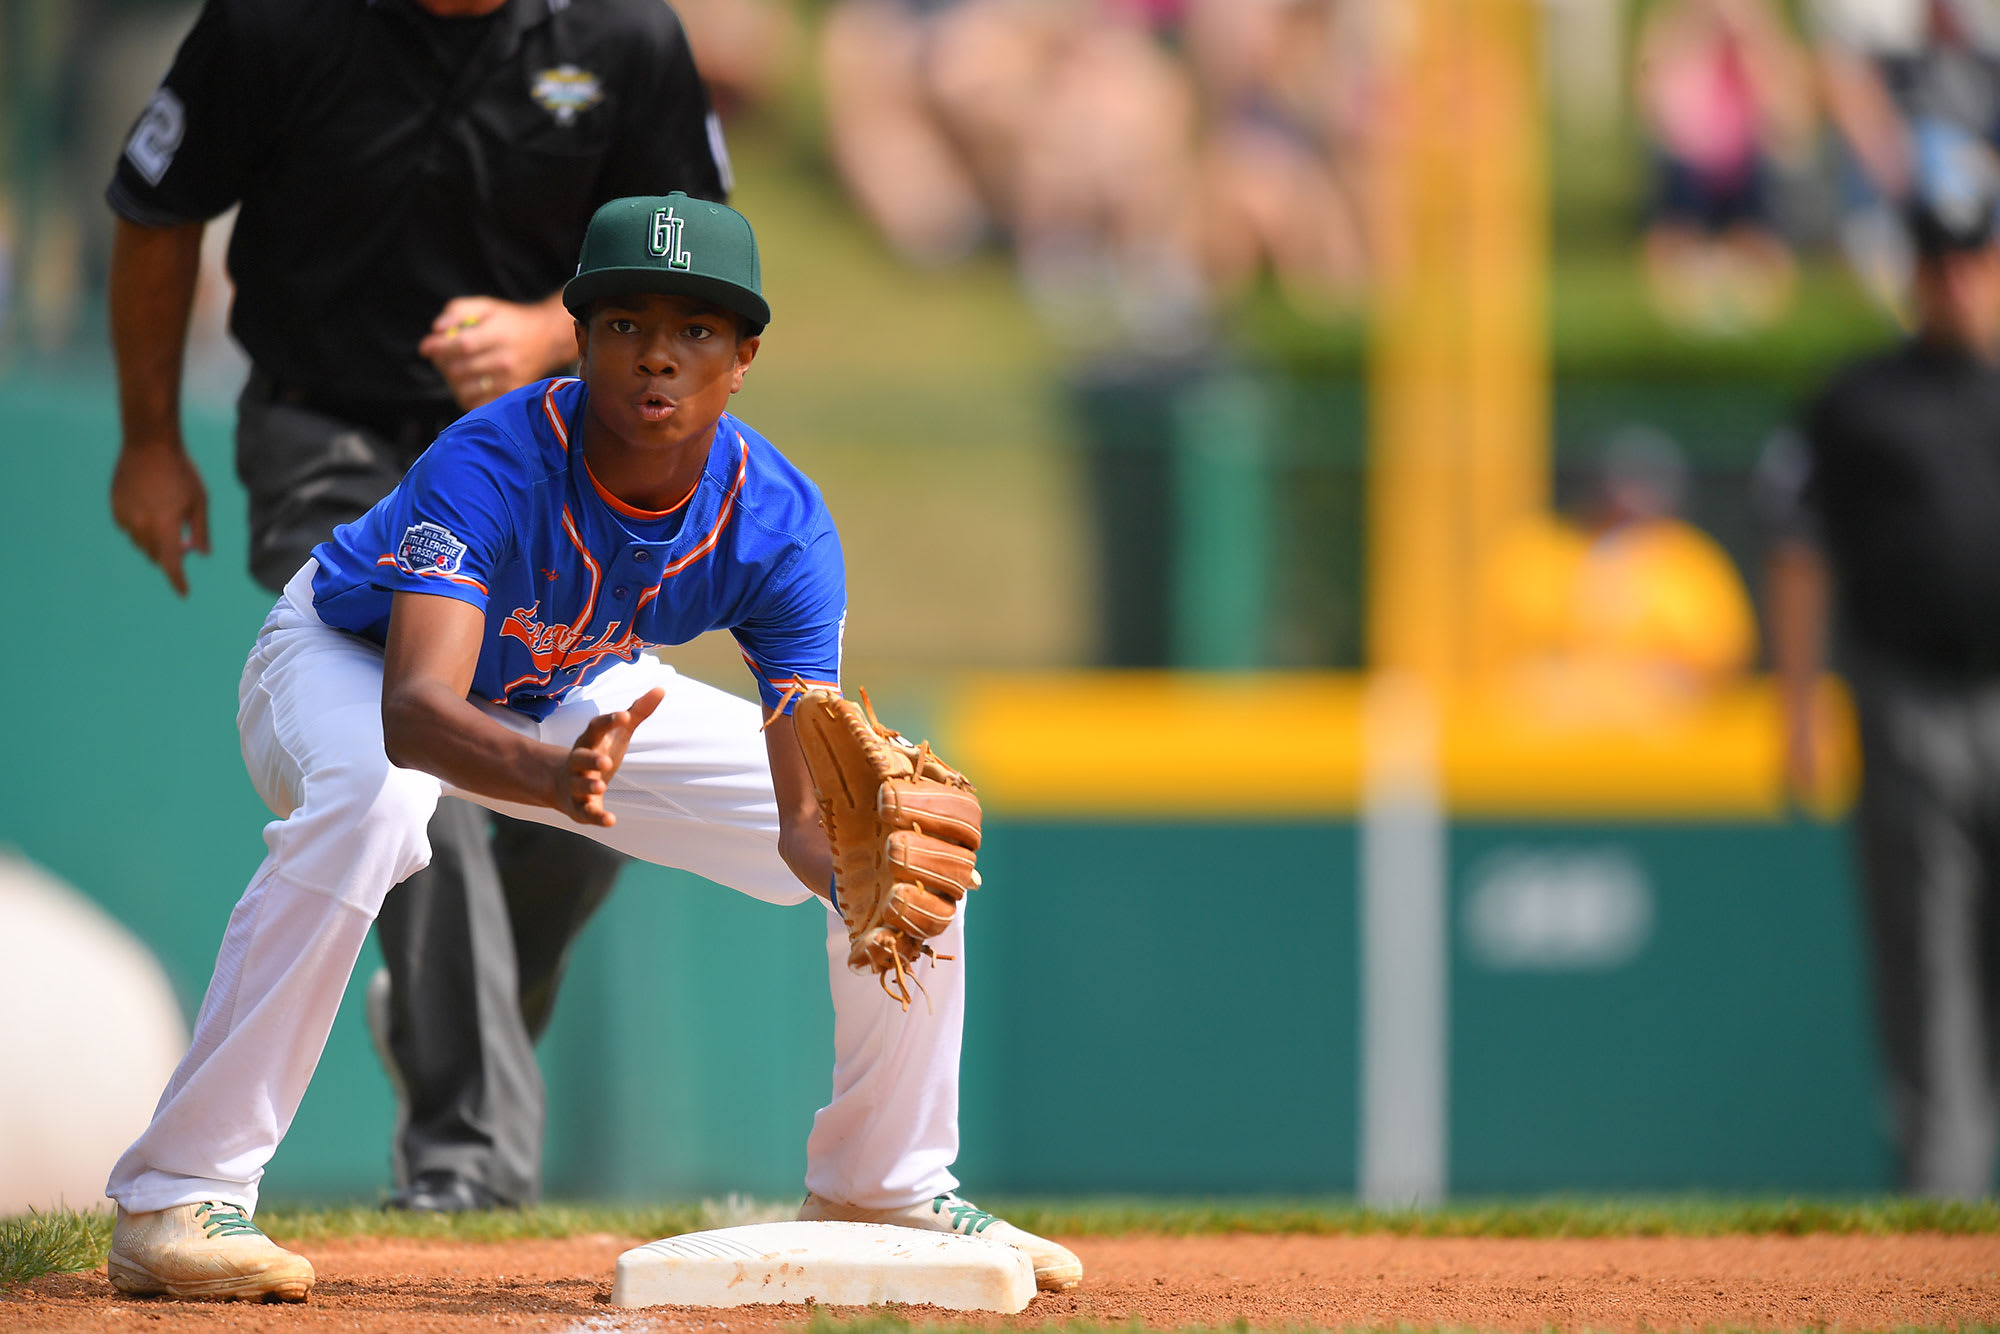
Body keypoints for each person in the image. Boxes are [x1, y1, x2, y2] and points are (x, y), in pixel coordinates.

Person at [101, 193, 1084, 1301]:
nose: (657, 357)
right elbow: (415, 711)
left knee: (894, 832)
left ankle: (885, 1178)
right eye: (625, 324)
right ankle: (175, 1191)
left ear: (743, 357)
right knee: (379, 801)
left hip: (570, 688)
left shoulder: (782, 527)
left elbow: (803, 816)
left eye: (695, 330)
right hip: (344, 657)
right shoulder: (495, 458)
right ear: (578, 341)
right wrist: (550, 776)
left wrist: (849, 866)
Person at [106, 0, 730, 1212]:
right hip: (325, 436)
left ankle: (455, 1020)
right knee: (413, 738)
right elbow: (155, 209)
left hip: (549, 452)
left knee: (585, 786)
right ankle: (468, 1154)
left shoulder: (625, 37)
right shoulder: (270, 27)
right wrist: (147, 441)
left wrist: (550, 328)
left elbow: (699, 252)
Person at [1767, 164, 2000, 1198]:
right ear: (1911, 271)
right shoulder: (1858, 400)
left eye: (1971, 258)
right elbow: (1795, 546)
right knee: (1924, 960)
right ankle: (1940, 1209)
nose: (1954, 280)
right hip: (1906, 698)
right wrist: (1795, 706)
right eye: (1936, 260)